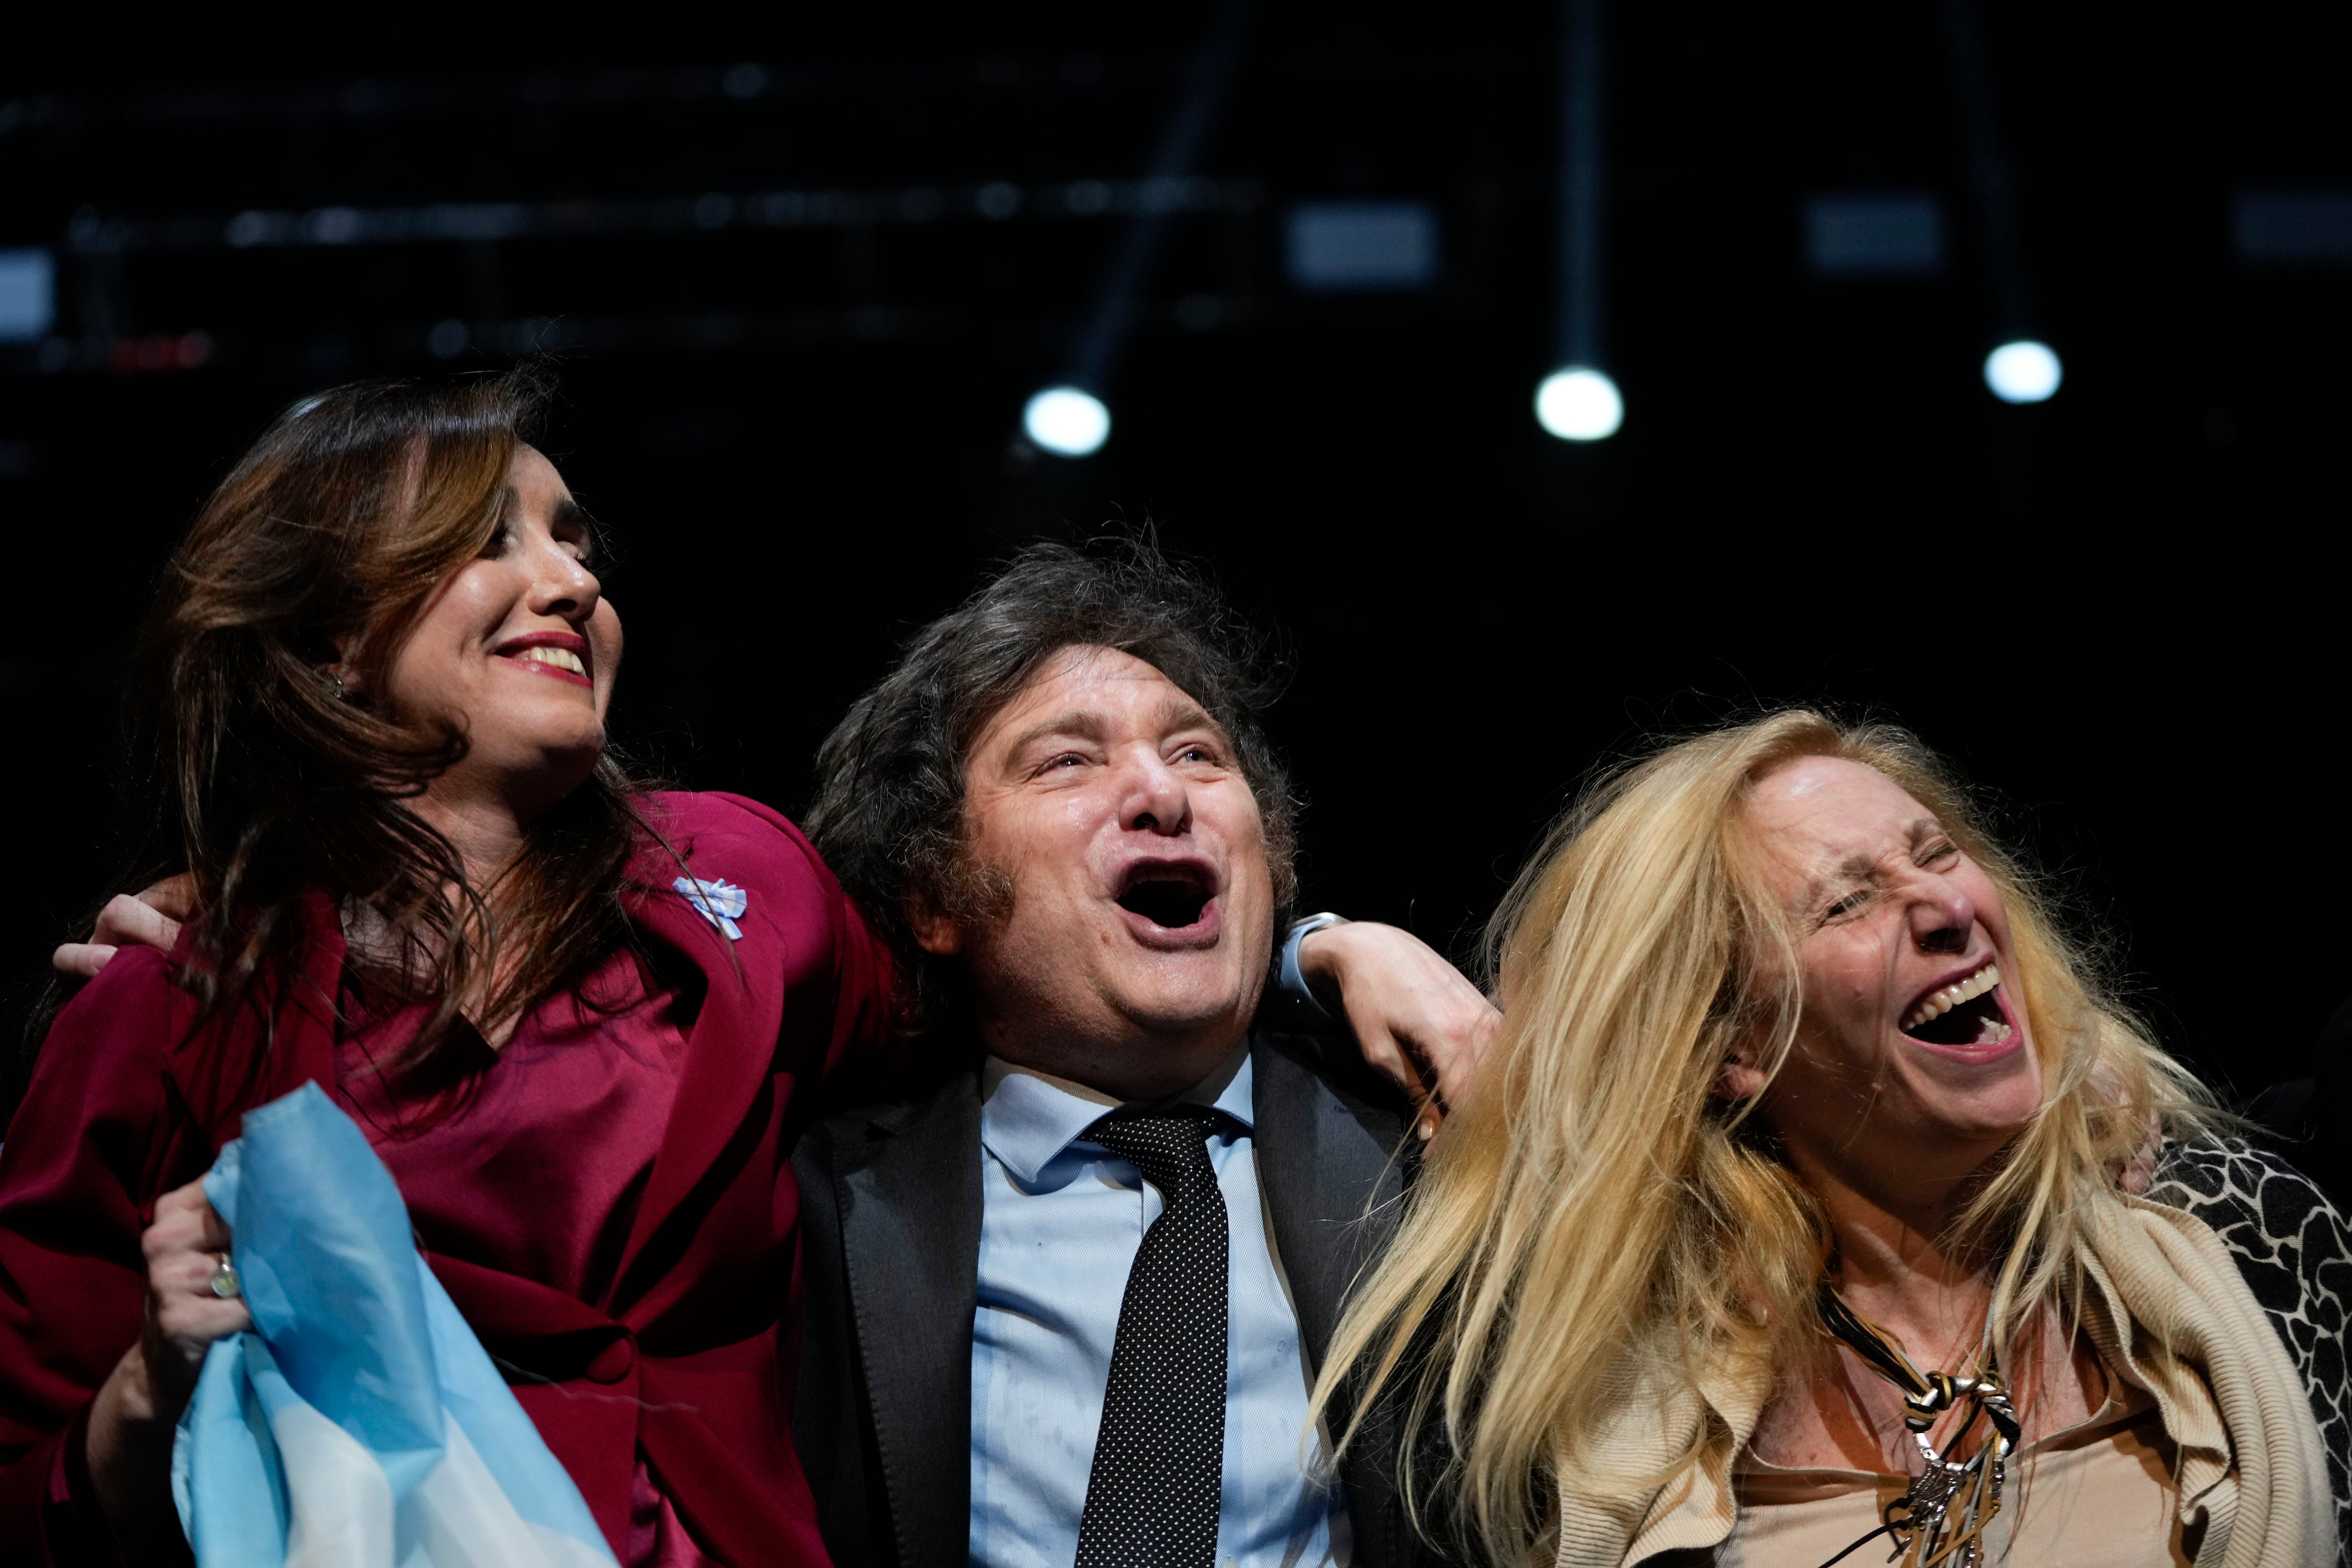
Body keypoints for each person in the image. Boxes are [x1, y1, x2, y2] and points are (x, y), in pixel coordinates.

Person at [0, 373, 1482, 1568]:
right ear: (325, 640)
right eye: (488, 539)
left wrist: (1317, 948)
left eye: (577, 540)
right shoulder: (170, 994)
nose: (568, 579)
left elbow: (1034, 961)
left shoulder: (743, 887)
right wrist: (154, 1381)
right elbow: (35, 1483)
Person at [1315, 711, 2346, 1568]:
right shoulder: (1598, 1381)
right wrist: (1321, 947)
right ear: (1734, 1045)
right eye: (1848, 900)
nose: (1945, 905)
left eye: (1937, 854)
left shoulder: (2241, 1238)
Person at [788, 544, 1501, 1568]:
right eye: (1066, 760)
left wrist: (1321, 949)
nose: (1162, 794)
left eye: (1199, 754)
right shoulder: (820, 1197)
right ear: (935, 896)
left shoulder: (1438, 1141)